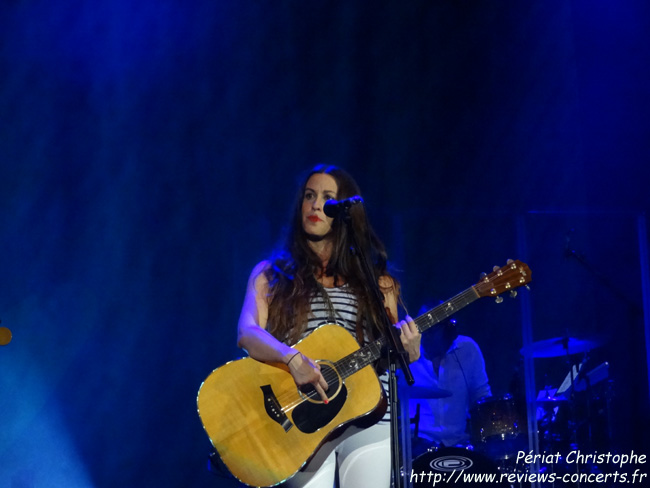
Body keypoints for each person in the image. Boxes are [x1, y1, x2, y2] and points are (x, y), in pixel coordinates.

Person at [237, 164, 421, 488]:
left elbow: (396, 352)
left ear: (346, 211)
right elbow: (247, 333)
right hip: (303, 416)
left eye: (327, 198)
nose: (314, 205)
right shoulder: (270, 275)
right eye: (309, 196)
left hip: (369, 415)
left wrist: (411, 351)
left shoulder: (379, 284)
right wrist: (291, 359)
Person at [408, 317, 491, 456]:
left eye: (436, 328)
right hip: (416, 444)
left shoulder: (467, 349)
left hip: (459, 443)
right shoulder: (406, 352)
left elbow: (481, 396)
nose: (430, 334)